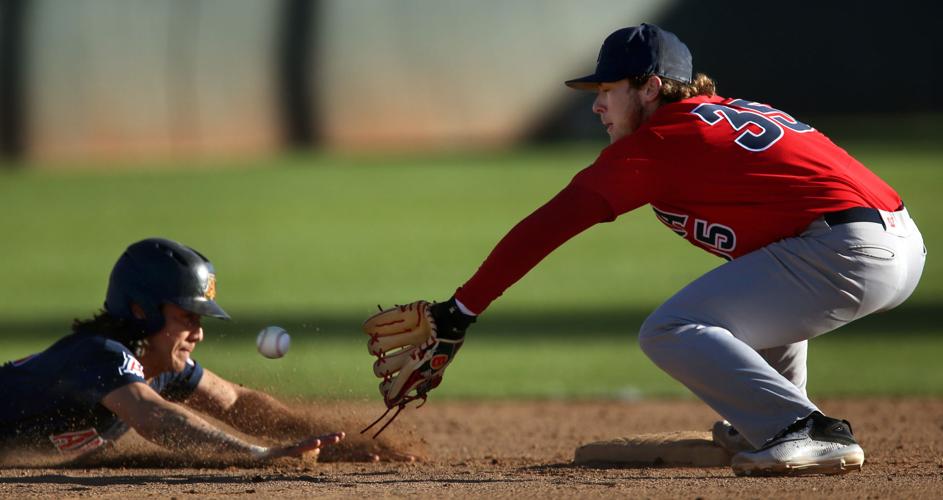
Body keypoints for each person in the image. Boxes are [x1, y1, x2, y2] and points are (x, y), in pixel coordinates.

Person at [367, 24, 926, 476]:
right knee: (756, 283)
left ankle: (802, 428)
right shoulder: (717, 119)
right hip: (889, 242)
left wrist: (461, 310)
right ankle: (774, 421)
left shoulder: (663, 139)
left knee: (670, 329)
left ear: (650, 88)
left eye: (607, 90)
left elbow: (552, 223)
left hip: (850, 249)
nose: (597, 106)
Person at [0, 237, 350, 463]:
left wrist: (329, 442)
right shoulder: (101, 355)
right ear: (141, 310)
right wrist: (254, 454)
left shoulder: (158, 366)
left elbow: (235, 402)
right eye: (186, 317)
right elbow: (154, 416)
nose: (198, 333)